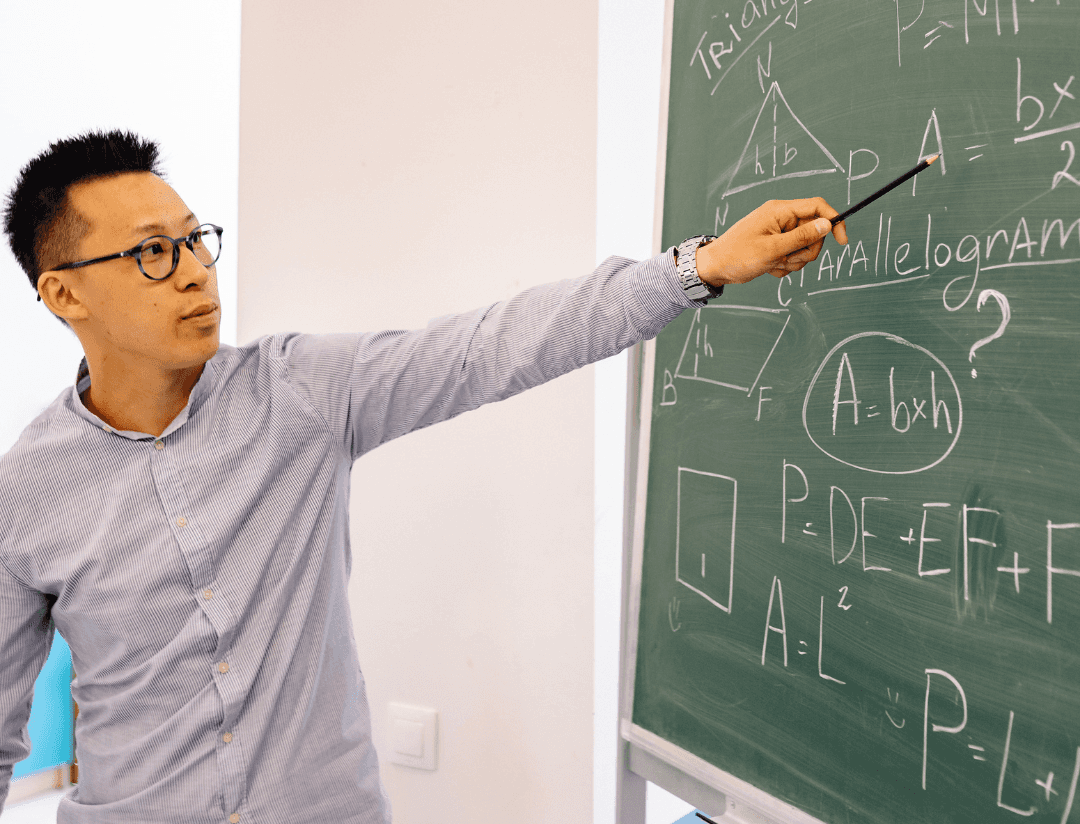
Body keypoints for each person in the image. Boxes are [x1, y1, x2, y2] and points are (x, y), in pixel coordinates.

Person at [0, 129, 847, 823]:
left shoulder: (298, 393)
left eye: (194, 240)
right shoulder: (25, 496)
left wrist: (697, 266)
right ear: (65, 295)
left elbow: (490, 346)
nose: (192, 270)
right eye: (152, 253)